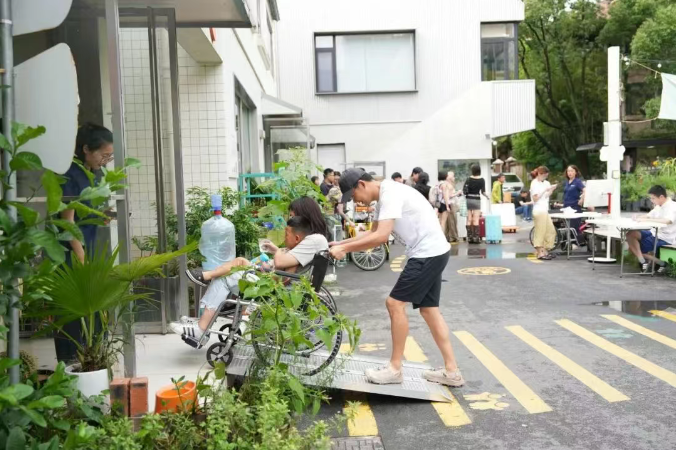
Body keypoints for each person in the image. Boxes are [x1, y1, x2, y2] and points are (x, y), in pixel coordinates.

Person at [330, 169, 463, 387]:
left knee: (394, 304)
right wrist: (341, 243)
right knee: (429, 310)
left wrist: (344, 250)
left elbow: (381, 237)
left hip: (426, 254)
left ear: (361, 184)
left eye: (353, 195)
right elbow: (373, 232)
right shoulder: (385, 196)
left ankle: (394, 369)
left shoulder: (390, 194)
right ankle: (452, 372)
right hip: (433, 251)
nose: (355, 201)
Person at [173, 215, 329, 338]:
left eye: (286, 234)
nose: (284, 237)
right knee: (236, 264)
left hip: (268, 285)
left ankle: (202, 326)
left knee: (225, 276)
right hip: (268, 278)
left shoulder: (293, 253)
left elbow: (284, 276)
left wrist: (278, 253)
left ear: (297, 238)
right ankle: (203, 315)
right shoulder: (298, 251)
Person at [55, 123, 114, 363]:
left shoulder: (92, 174)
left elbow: (83, 214)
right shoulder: (70, 174)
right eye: (103, 155)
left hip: (84, 249)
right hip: (69, 252)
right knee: (72, 312)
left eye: (109, 156)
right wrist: (80, 256)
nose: (105, 161)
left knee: (93, 310)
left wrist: (101, 216)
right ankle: (70, 364)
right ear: (86, 149)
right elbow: (67, 222)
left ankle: (92, 360)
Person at [626, 185, 676, 273]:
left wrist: (646, 219)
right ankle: (651, 262)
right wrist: (638, 217)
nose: (651, 201)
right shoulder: (659, 205)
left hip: (664, 237)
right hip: (653, 232)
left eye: (653, 198)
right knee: (630, 234)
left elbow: (668, 221)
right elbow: (649, 215)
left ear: (661, 197)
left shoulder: (672, 207)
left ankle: (649, 262)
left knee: (632, 248)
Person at [530, 166, 558, 260]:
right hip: (538, 210)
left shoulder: (546, 183)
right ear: (539, 174)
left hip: (544, 210)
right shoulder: (534, 183)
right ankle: (540, 252)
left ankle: (545, 250)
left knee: (551, 231)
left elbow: (546, 196)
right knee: (540, 231)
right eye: (544, 175)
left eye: (546, 176)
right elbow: (535, 198)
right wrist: (545, 190)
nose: (545, 177)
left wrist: (551, 190)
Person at [462, 164, 489, 244]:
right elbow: (483, 192)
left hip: (468, 199)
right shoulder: (482, 180)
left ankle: (470, 238)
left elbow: (464, 190)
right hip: (476, 200)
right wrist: (487, 196)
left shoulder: (468, 179)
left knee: (469, 219)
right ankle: (476, 238)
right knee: (476, 219)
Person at [561, 165, 586, 232]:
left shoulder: (577, 181)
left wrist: (582, 199)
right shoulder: (567, 182)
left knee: (575, 228)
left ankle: (578, 239)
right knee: (568, 228)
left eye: (571, 171)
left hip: (574, 207)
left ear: (575, 172)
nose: (570, 173)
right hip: (566, 207)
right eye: (568, 171)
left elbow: (585, 190)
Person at [439, 171, 461, 242]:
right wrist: (457, 193)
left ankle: (448, 236)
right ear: (448, 177)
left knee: (448, 221)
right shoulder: (447, 185)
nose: (454, 178)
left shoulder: (446, 184)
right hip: (450, 203)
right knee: (451, 221)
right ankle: (453, 236)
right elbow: (448, 196)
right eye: (453, 176)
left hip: (448, 204)